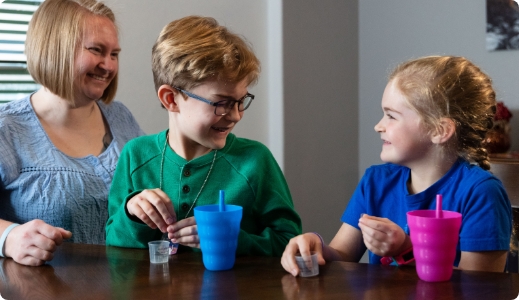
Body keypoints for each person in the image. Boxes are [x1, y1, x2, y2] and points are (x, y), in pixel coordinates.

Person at [281, 56, 512, 275]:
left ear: (439, 130)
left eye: (391, 116)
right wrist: (315, 248)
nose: (378, 126)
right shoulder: (376, 182)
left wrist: (405, 250)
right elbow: (342, 256)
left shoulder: (481, 193)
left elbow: (479, 287)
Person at [105, 16, 302, 256]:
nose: (236, 115)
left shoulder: (255, 161)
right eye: (222, 103)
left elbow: (290, 242)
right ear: (171, 99)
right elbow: (113, 243)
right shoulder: (135, 155)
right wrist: (131, 214)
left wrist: (231, 239)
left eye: (241, 102)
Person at [0, 0, 143, 266]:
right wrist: (8, 237)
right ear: (55, 50)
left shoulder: (121, 117)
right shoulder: (6, 128)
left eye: (114, 54)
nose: (109, 66)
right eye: (97, 50)